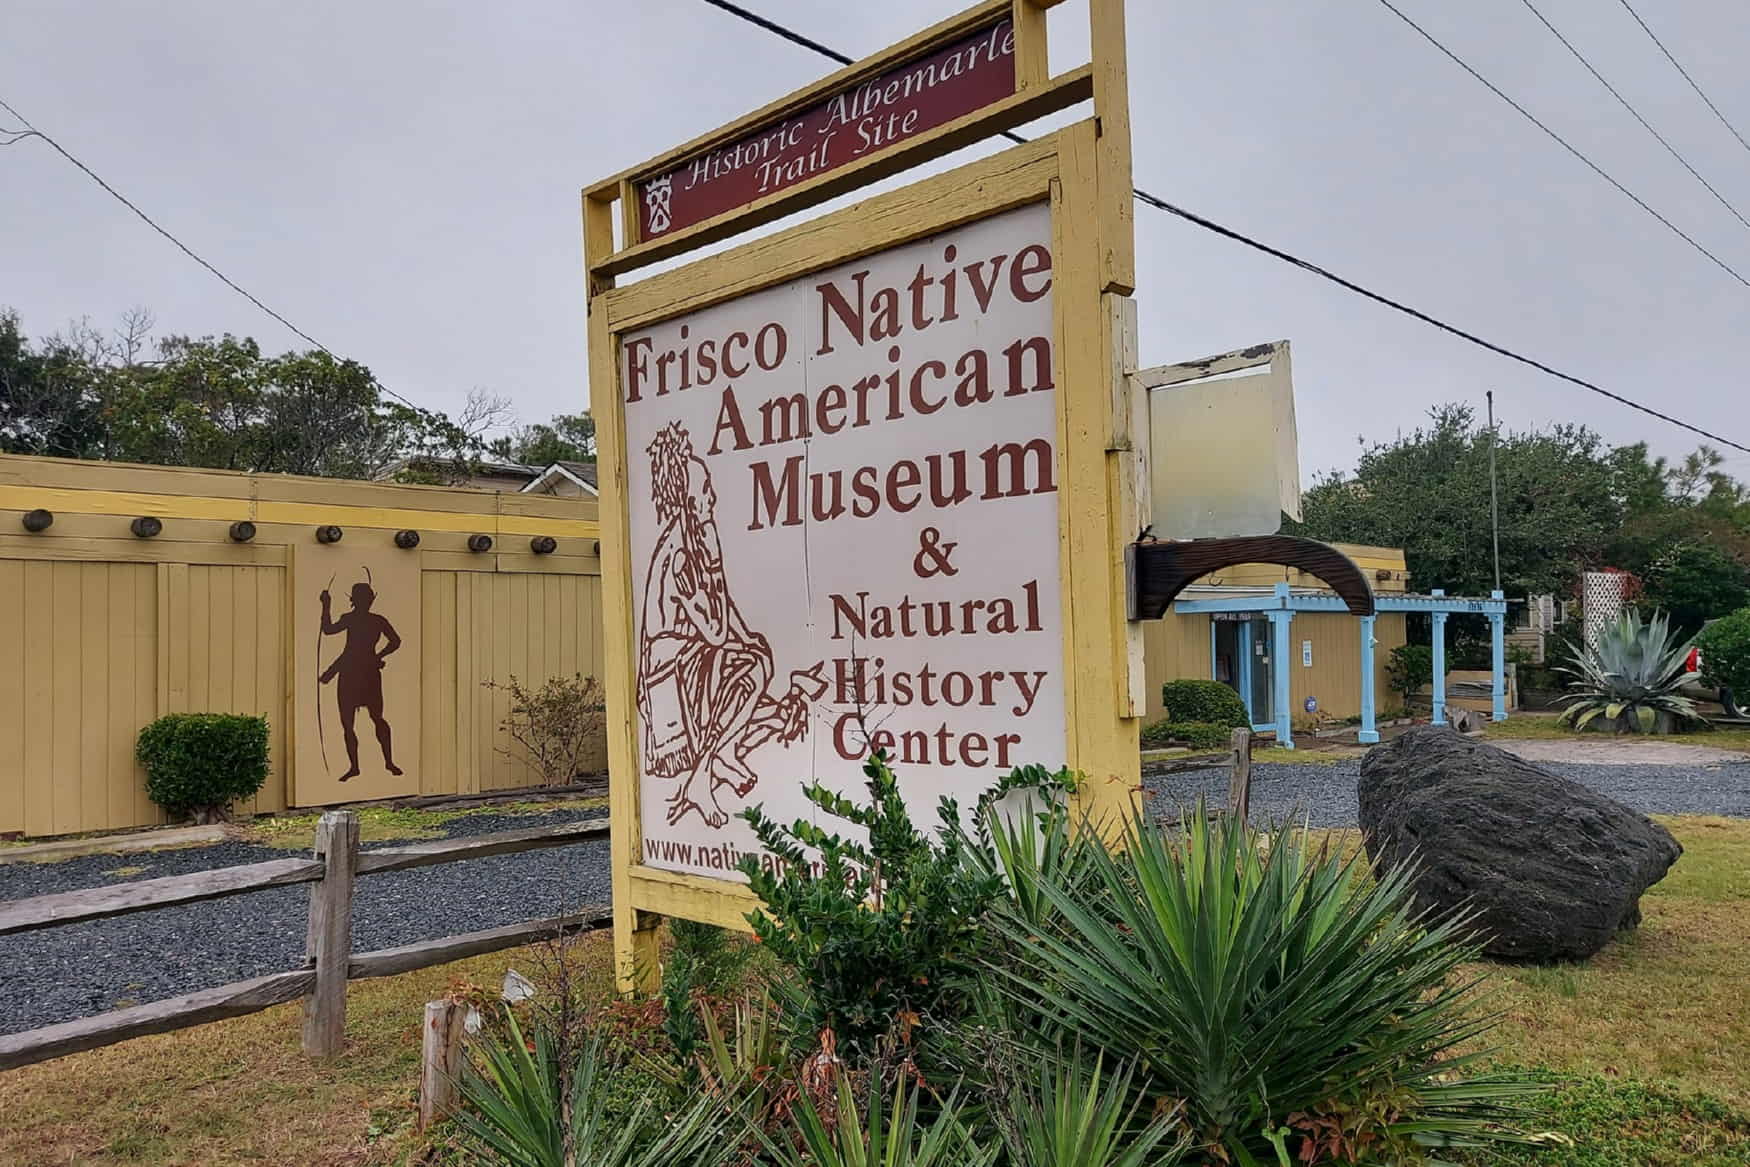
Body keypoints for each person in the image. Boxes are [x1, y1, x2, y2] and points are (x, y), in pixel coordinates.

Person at [319, 580, 403, 781]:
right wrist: (326, 605)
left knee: (374, 719)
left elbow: (396, 641)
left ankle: (387, 762)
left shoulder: (373, 620)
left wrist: (378, 656)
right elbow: (329, 631)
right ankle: (357, 766)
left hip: (361, 673)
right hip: (354, 671)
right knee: (351, 723)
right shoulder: (361, 619)